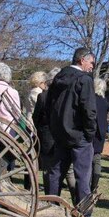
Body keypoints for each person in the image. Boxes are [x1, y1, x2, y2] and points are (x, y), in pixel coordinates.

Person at [46, 48, 98, 217]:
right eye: (91, 62)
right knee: (83, 176)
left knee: (56, 173)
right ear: (82, 60)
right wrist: (90, 134)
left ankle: (51, 210)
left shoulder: (58, 77)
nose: (92, 66)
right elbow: (89, 110)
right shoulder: (84, 79)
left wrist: (55, 128)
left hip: (60, 134)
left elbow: (49, 106)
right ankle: (84, 216)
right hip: (79, 135)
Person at [33, 69, 76, 198]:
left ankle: (51, 200)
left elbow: (36, 118)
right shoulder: (69, 95)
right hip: (65, 138)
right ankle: (77, 201)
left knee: (49, 172)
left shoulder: (43, 96)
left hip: (48, 139)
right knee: (69, 171)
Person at [92, 77, 109, 192]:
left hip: (91, 132)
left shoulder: (91, 100)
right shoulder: (105, 102)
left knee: (89, 159)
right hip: (101, 132)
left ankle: (89, 182)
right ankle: (94, 184)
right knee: (97, 158)